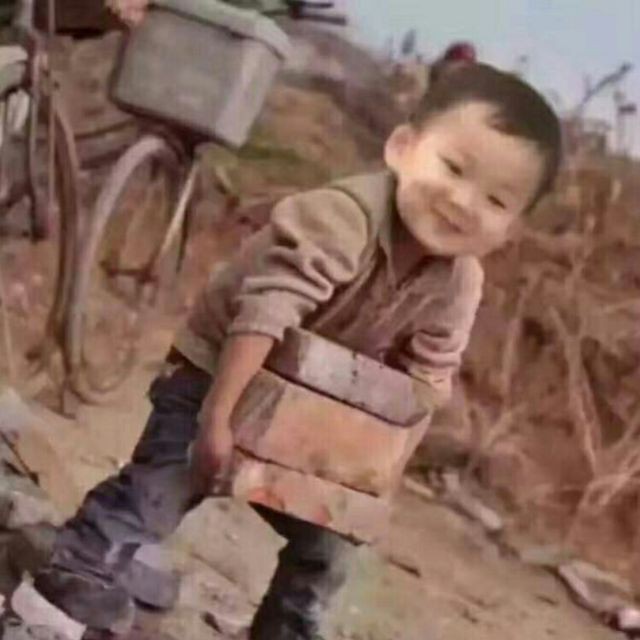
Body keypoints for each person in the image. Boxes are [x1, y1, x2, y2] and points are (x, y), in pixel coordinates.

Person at [33, 63, 562, 639]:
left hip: (317, 409)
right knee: (163, 485)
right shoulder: (341, 217)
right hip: (220, 373)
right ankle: (76, 570)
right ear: (403, 148)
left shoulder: (460, 283)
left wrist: (372, 483)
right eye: (453, 168)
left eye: (496, 200)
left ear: (512, 229)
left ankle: (284, 630)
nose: (462, 200)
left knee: (331, 544)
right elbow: (265, 313)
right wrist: (217, 420)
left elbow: (426, 384)